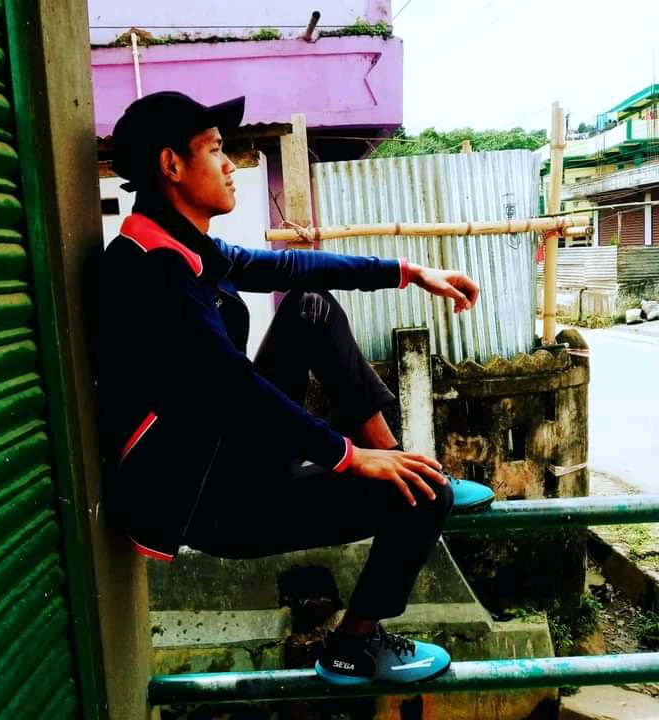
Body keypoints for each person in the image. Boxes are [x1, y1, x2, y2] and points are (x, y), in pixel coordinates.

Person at [100, 91, 493, 687]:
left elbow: (288, 268)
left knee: (309, 306)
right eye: (215, 150)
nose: (230, 165)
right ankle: (353, 645)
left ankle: (401, 462)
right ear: (171, 165)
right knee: (427, 497)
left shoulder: (177, 243)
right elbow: (233, 387)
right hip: (209, 503)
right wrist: (347, 456)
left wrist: (409, 273)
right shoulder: (155, 267)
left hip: (222, 455)